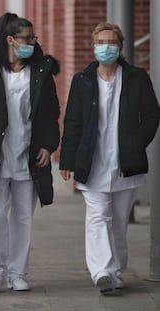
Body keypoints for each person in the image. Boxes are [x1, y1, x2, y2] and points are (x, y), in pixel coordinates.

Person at [59, 22, 159, 294]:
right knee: (98, 216)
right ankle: (101, 270)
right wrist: (67, 160)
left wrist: (136, 143)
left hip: (126, 162)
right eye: (101, 42)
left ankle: (115, 273)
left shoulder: (137, 77)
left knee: (117, 223)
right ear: (93, 47)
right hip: (91, 161)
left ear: (120, 46)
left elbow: (152, 115)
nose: (106, 47)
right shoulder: (82, 80)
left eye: (111, 42)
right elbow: (73, 122)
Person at [0, 12, 60, 293]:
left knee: (23, 217)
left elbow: (51, 112)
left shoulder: (41, 71)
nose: (32, 42)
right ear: (11, 40)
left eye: (34, 38)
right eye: (27, 38)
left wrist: (48, 145)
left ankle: (18, 272)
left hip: (28, 154)